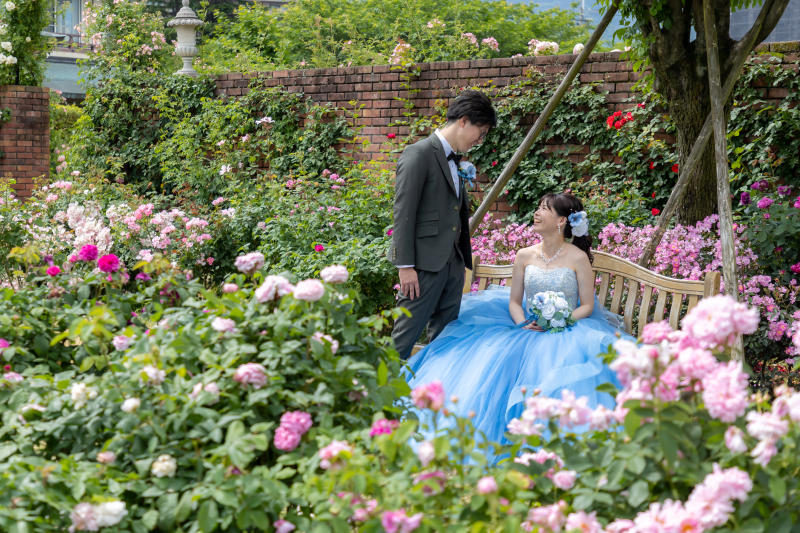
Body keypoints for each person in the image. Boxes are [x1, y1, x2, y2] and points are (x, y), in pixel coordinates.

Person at [405, 193, 631, 447]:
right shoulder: (524, 255)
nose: (536, 213)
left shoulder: (577, 258)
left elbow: (587, 306)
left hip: (566, 328)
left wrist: (557, 322)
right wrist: (523, 324)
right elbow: (514, 301)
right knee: (492, 357)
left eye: (544, 209)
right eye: (537, 207)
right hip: (524, 325)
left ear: (561, 221)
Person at [388, 90, 497, 361]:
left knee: (446, 340)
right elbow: (403, 212)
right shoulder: (419, 154)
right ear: (463, 121)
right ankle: (377, 397)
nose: (480, 140)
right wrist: (405, 267)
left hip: (453, 262)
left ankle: (429, 396)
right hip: (422, 266)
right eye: (480, 132)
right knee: (404, 339)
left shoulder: (456, 161)